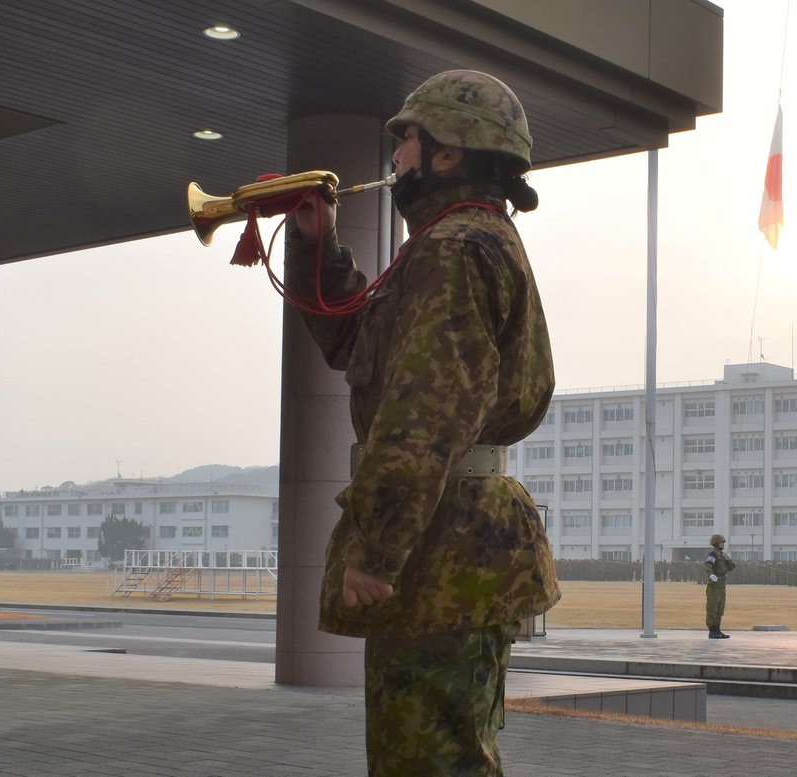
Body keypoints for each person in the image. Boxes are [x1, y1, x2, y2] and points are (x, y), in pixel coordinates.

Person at [285, 70, 560, 776]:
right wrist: (319, 246)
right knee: (448, 756)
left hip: (443, 544)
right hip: (459, 540)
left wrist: (378, 549)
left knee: (426, 763)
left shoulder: (452, 250)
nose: (396, 155)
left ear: (447, 153)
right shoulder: (458, 243)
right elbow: (361, 347)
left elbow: (424, 413)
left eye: (407, 137)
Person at [704, 533, 735, 639]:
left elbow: (731, 568)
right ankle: (712, 630)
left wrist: (729, 559)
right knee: (712, 607)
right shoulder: (712, 554)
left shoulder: (723, 555)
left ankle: (717, 629)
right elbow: (708, 565)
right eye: (721, 542)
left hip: (722, 584)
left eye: (723, 542)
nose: (723, 544)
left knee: (720, 608)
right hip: (714, 584)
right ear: (716, 543)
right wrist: (711, 574)